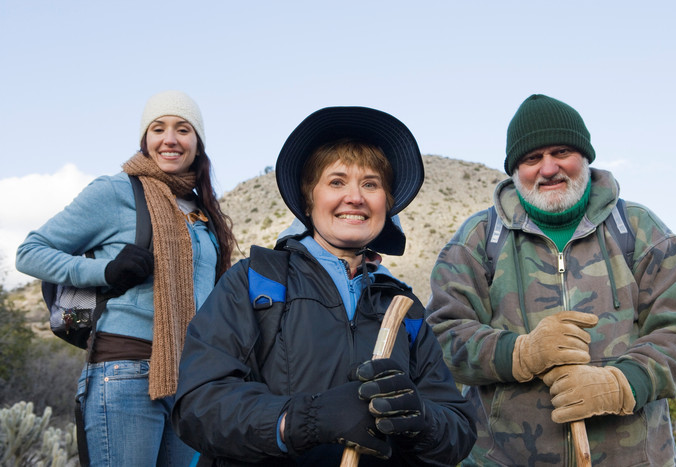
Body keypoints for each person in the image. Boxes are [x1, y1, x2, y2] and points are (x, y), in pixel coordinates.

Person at [172, 106, 476, 466]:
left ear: (386, 203)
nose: (355, 197)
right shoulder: (254, 281)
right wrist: (305, 420)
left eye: (371, 184)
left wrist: (421, 420)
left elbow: (458, 429)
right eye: (336, 181)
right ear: (309, 197)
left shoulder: (404, 309)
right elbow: (198, 405)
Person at [426, 94, 676, 466]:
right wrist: (521, 353)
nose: (548, 168)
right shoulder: (477, 239)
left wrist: (620, 385)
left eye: (561, 152)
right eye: (531, 158)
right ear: (515, 169)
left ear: (585, 157)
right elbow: (443, 336)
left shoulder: (640, 230)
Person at [16, 90, 235, 466]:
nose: (170, 139)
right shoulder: (115, 191)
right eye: (158, 128)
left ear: (197, 144)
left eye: (183, 129)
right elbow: (30, 251)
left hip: (190, 382)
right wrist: (105, 270)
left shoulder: (203, 212)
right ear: (145, 139)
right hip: (125, 373)